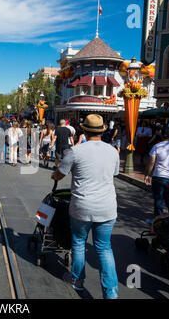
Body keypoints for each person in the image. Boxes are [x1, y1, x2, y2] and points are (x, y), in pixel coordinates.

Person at [52, 114, 119, 299]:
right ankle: (111, 293)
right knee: (104, 248)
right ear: (102, 131)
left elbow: (61, 173)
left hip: (82, 205)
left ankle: (77, 280)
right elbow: (113, 174)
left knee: (79, 243)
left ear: (84, 130)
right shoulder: (113, 151)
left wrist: (55, 176)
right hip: (107, 207)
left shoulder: (76, 151)